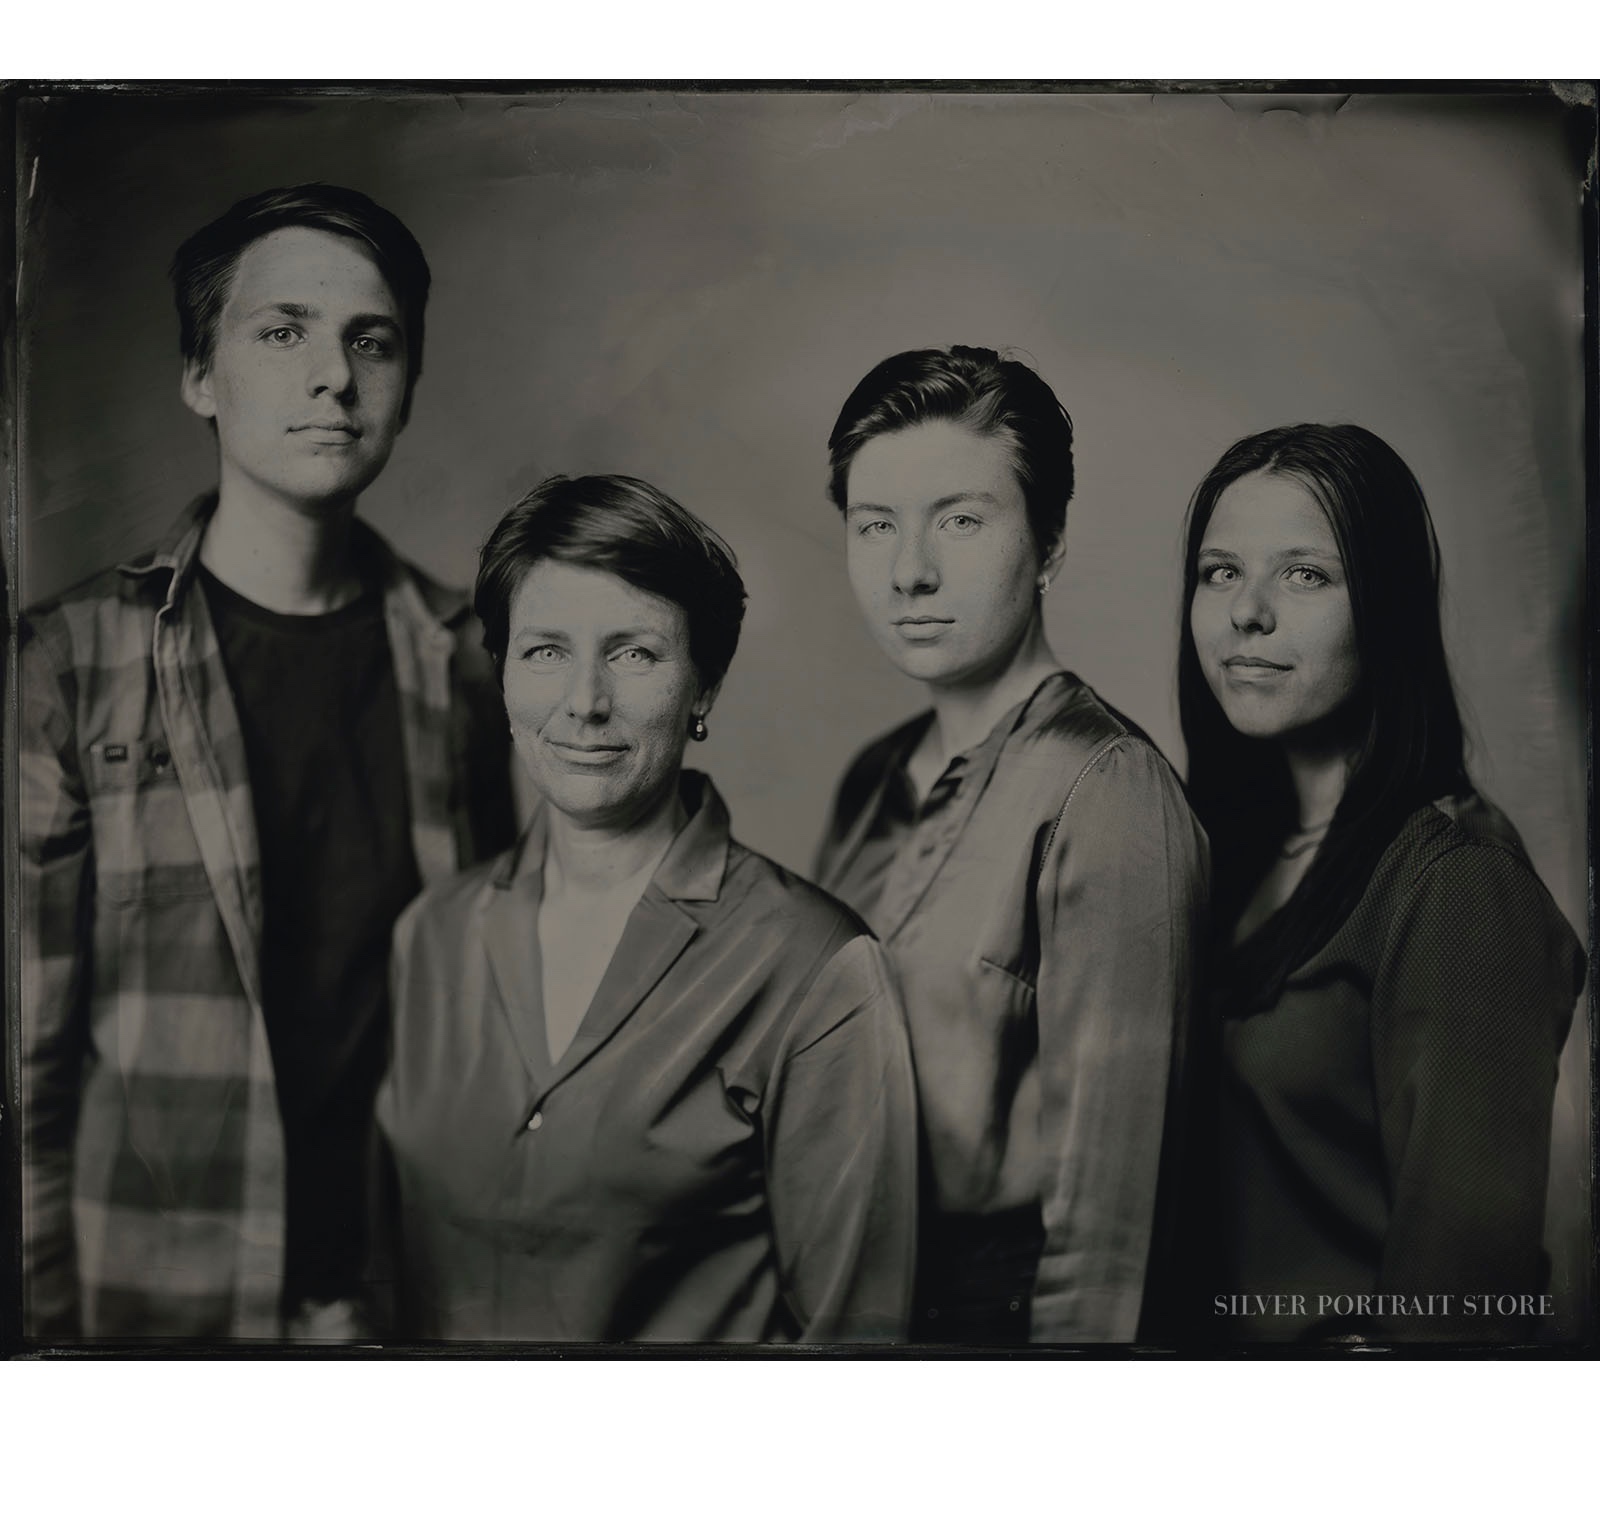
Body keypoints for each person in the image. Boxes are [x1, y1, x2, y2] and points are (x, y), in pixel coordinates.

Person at [17, 184, 516, 1340]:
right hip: (158, 1313)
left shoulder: (463, 663)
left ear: (406, 383)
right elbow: (26, 1074)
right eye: (281, 331)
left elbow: (483, 1027)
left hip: (406, 1301)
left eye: (371, 341)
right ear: (202, 376)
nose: (333, 375)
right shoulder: (70, 662)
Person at [370, 473, 918, 1343]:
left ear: (702, 688)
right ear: (504, 676)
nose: (585, 703)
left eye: (635, 653)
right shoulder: (428, 939)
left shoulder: (816, 967)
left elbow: (858, 1343)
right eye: (546, 650)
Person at [813, 345, 1207, 1345]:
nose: (910, 570)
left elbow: (1111, 1236)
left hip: (1000, 1328)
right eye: (875, 526)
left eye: (959, 519)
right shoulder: (872, 778)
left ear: (1049, 542)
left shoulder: (1104, 787)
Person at [1180, 423, 1586, 1342]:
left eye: (1305, 575)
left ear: (1390, 607)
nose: (1248, 612)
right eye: (1219, 572)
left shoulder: (1457, 883)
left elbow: (1460, 1307)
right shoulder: (1232, 851)